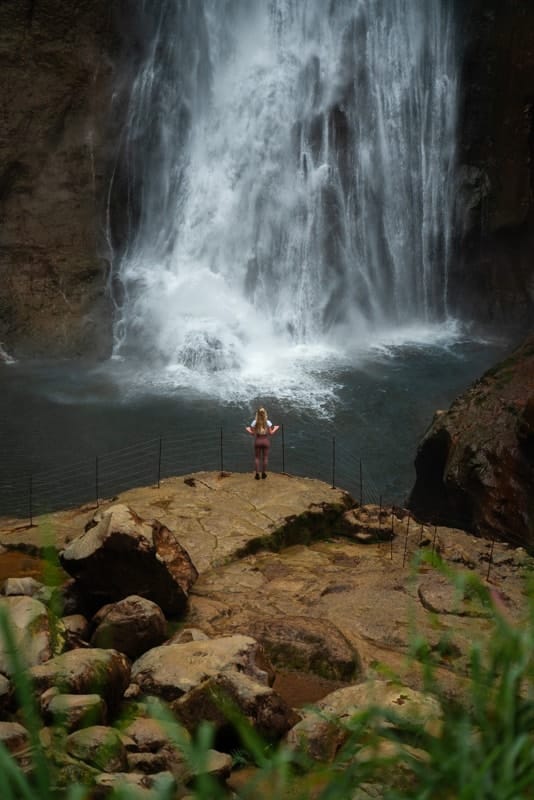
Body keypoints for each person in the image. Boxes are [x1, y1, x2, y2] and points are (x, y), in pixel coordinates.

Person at [245, 407, 280, 480]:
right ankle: (263, 474)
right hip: (265, 441)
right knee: (265, 458)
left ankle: (257, 475)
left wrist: (248, 430)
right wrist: (276, 428)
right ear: (265, 414)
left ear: (257, 414)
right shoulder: (268, 422)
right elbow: (271, 433)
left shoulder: (254, 422)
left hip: (258, 441)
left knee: (257, 458)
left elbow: (253, 433)